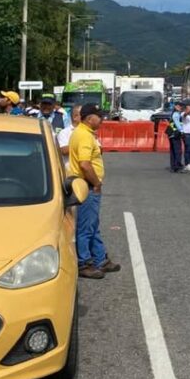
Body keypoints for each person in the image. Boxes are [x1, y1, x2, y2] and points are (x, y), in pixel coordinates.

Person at [68, 104, 120, 279]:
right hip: (87, 185)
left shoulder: (84, 133)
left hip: (87, 185)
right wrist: (96, 183)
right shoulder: (84, 136)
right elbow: (84, 164)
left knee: (93, 225)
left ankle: (100, 259)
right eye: (99, 117)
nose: (102, 120)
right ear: (90, 118)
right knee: (85, 227)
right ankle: (84, 263)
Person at [167, 100, 184, 172]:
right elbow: (178, 124)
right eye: (179, 106)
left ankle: (173, 166)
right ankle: (177, 166)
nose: (180, 107)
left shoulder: (174, 114)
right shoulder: (176, 114)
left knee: (173, 151)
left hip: (172, 134)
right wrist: (182, 131)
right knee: (178, 151)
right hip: (175, 134)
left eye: (181, 106)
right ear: (175, 106)